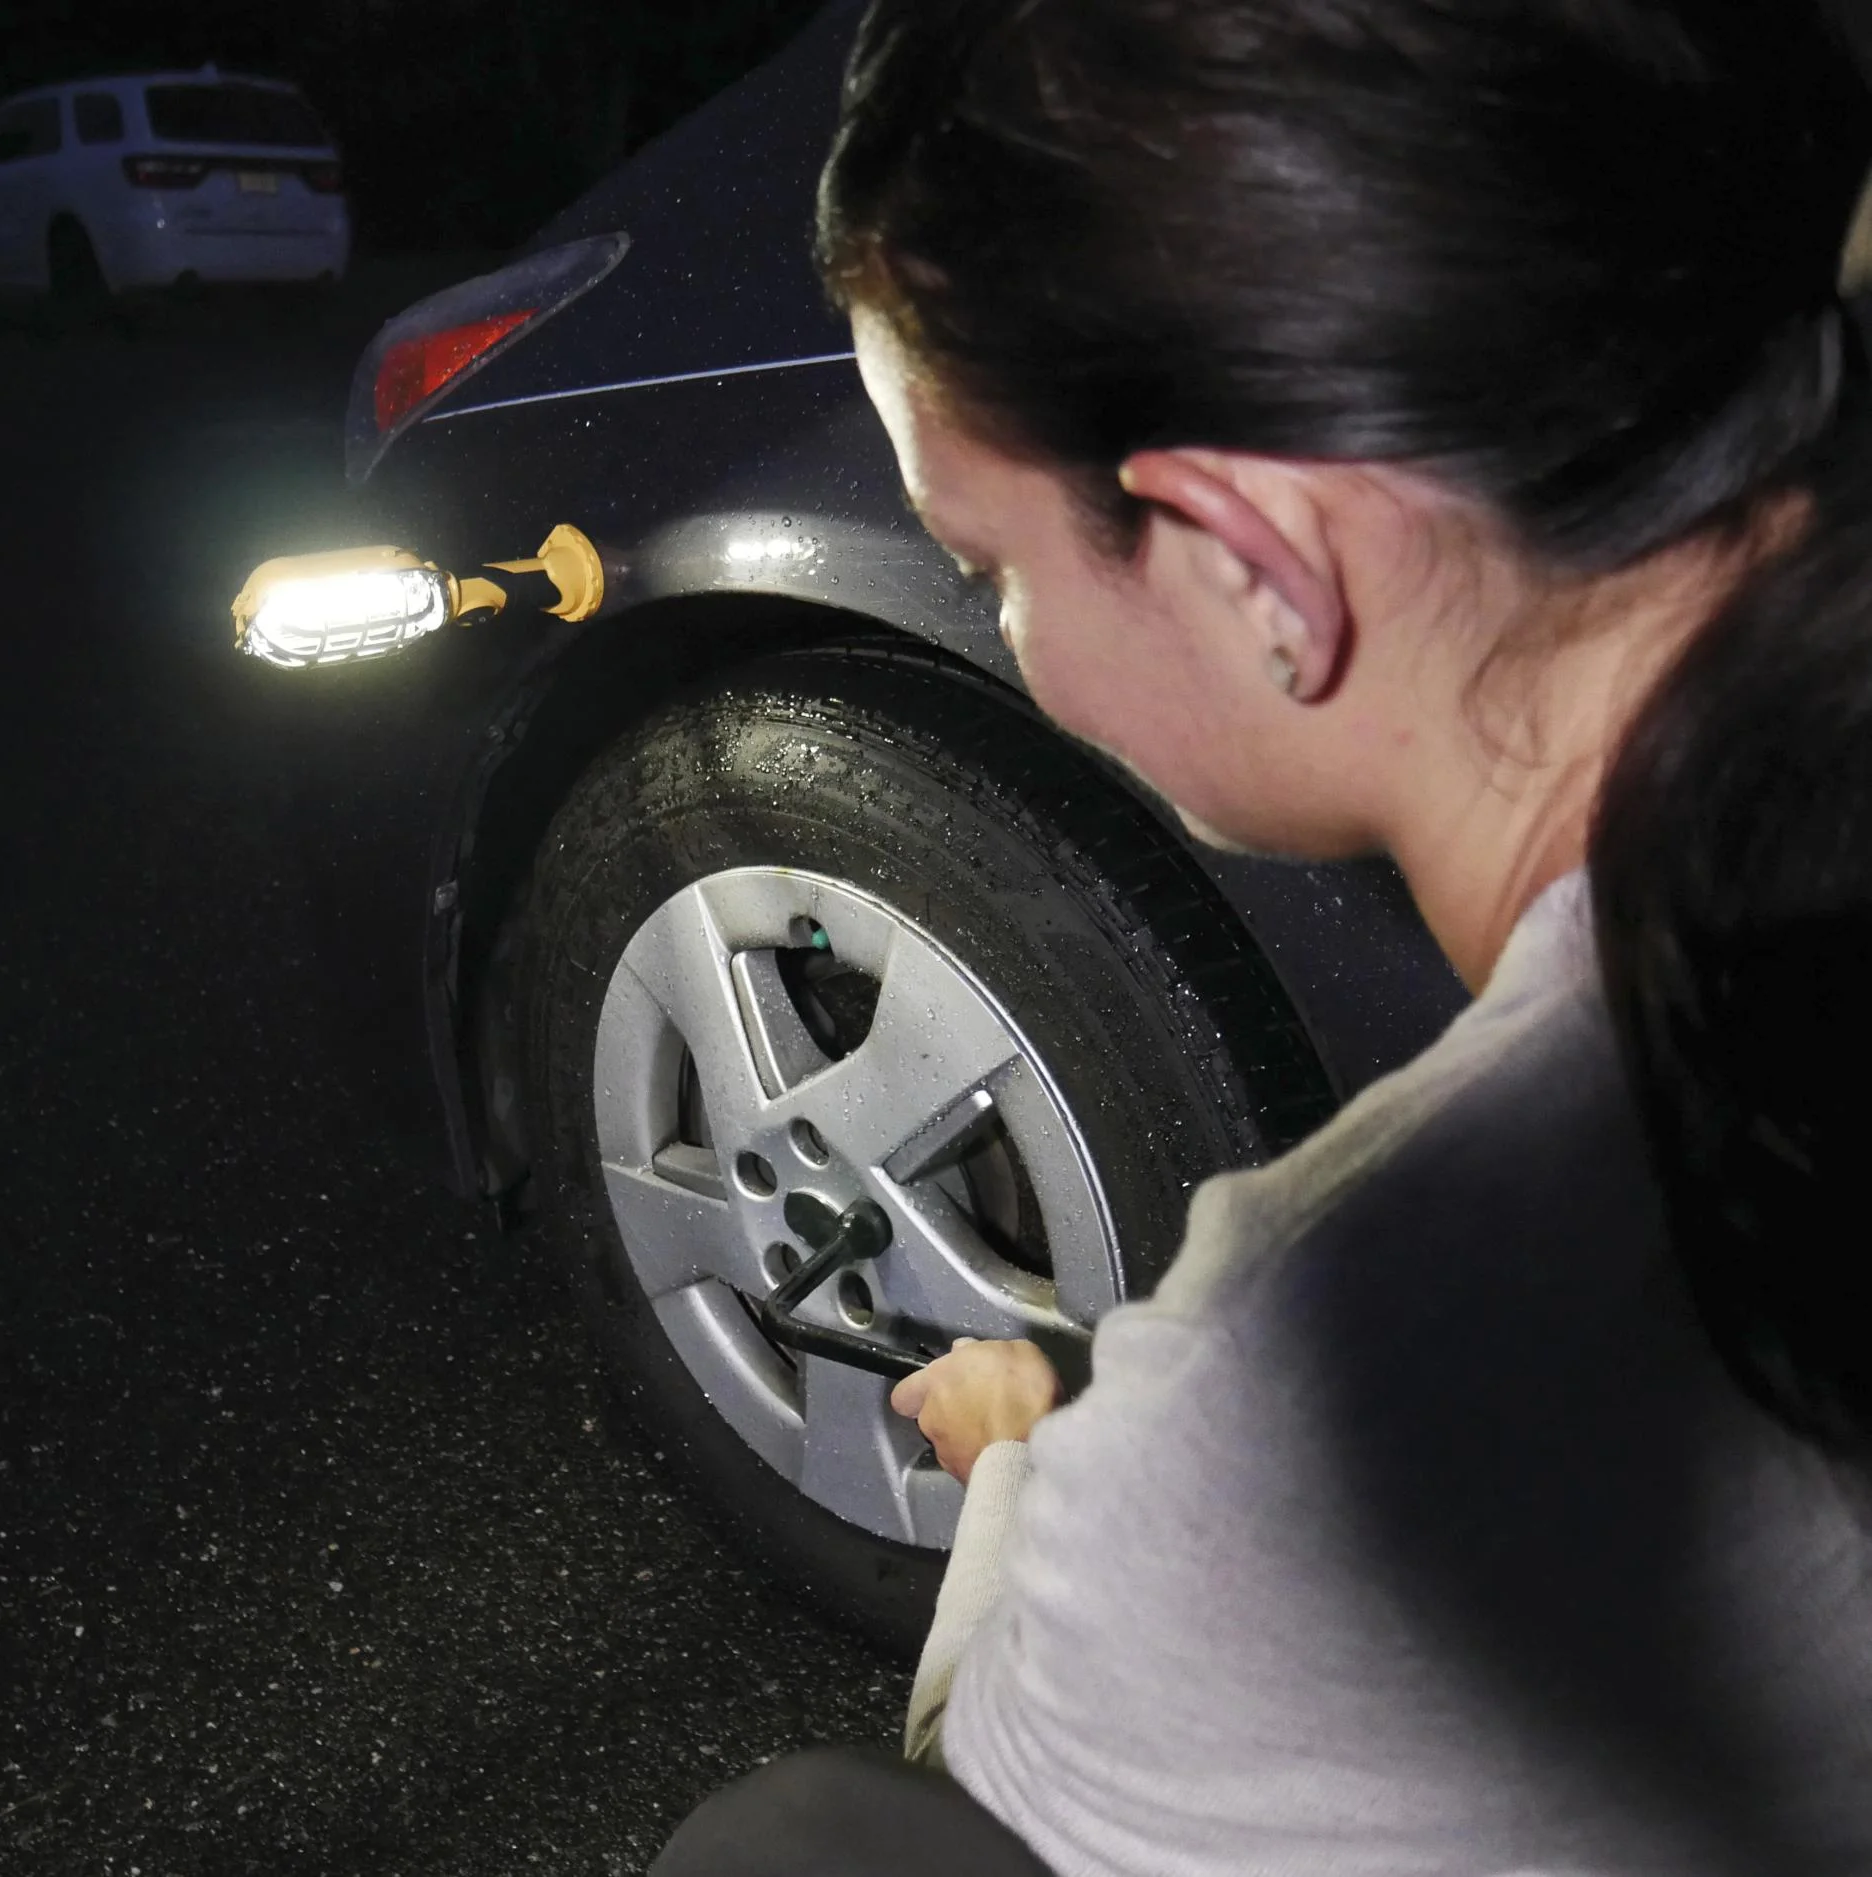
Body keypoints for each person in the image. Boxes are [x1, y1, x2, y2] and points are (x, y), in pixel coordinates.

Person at [655, 1, 1872, 1872]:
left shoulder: (1320, 1396)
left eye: (993, 569)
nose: (1014, 642)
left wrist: (1025, 1486)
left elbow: (988, 1785)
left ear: (1253, 565)